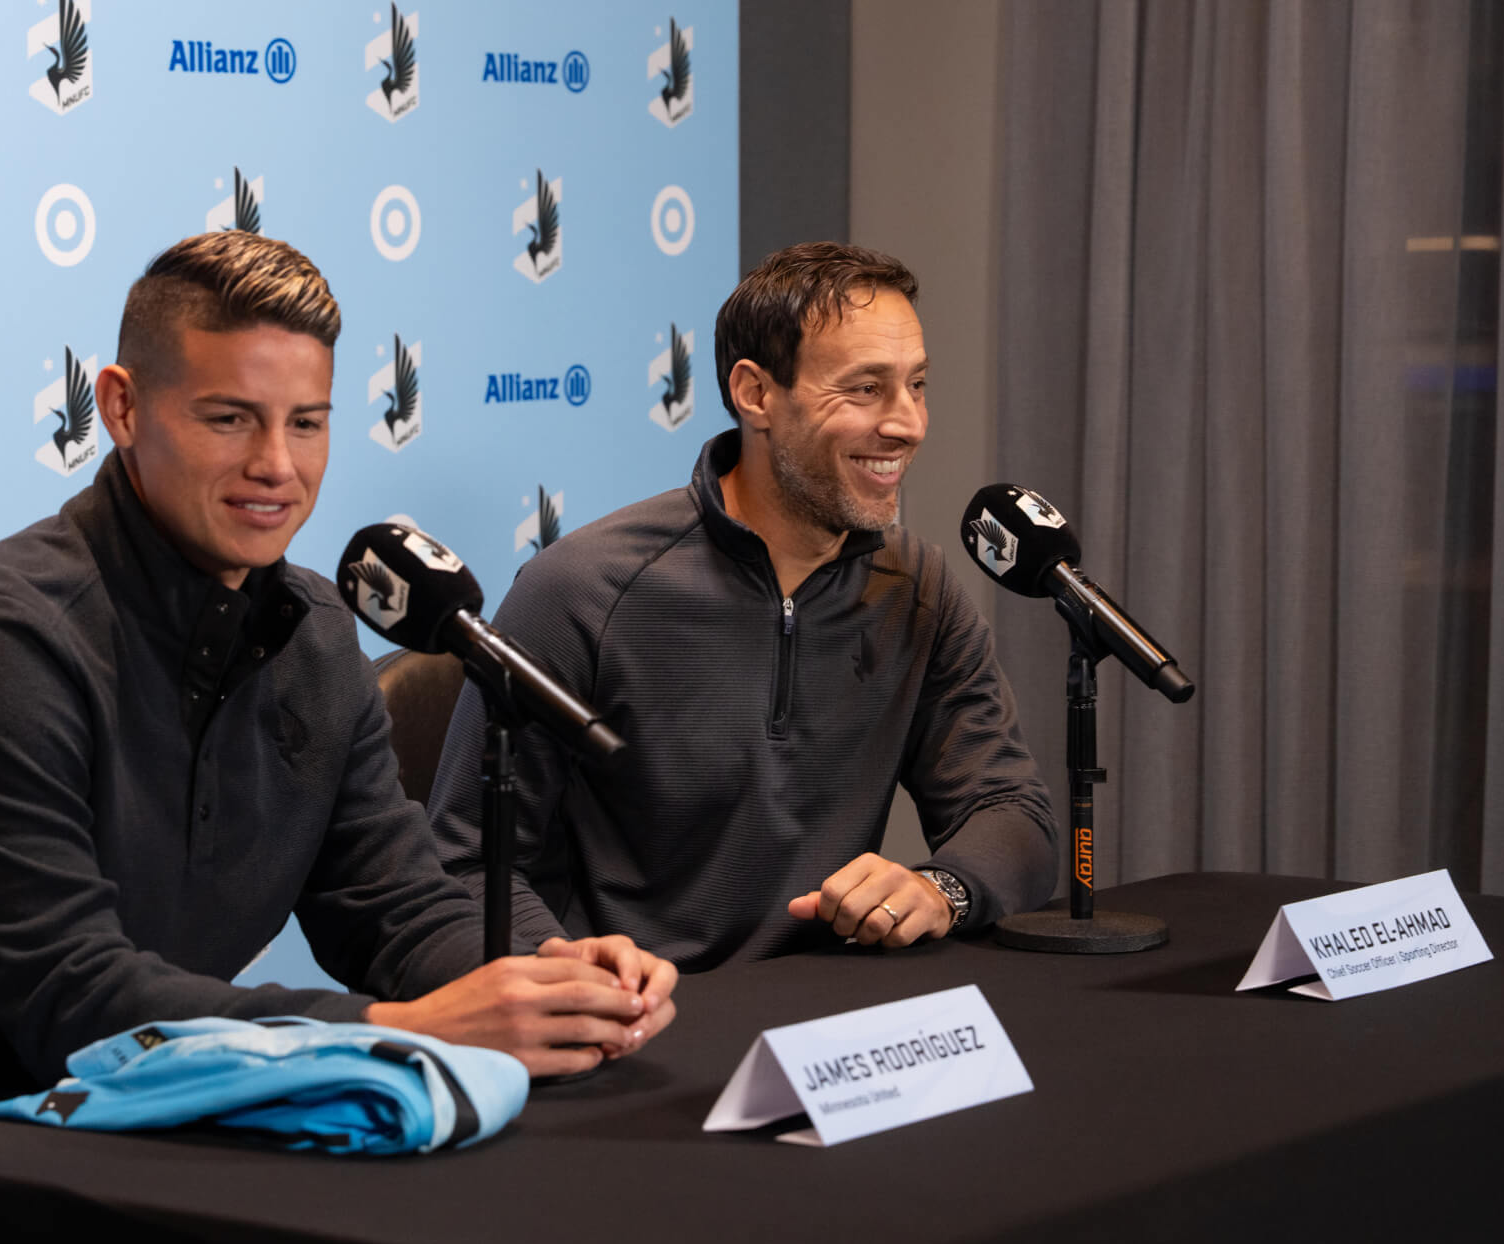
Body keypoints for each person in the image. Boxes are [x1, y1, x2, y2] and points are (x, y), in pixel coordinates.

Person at [0, 232, 676, 1244]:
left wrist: (534, 976)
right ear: (120, 406)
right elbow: (76, 997)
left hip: (140, 1145)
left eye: (307, 423)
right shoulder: (2, 645)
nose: (275, 468)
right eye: (229, 418)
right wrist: (400, 1026)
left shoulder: (319, 632)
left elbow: (394, 901)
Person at [429, 242, 1057, 971]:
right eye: (864, 390)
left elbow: (1015, 813)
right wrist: (575, 973)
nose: (908, 423)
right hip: (644, 1021)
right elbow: (469, 865)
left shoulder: (916, 588)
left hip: (831, 1021)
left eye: (916, 385)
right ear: (755, 394)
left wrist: (940, 887)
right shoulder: (580, 590)